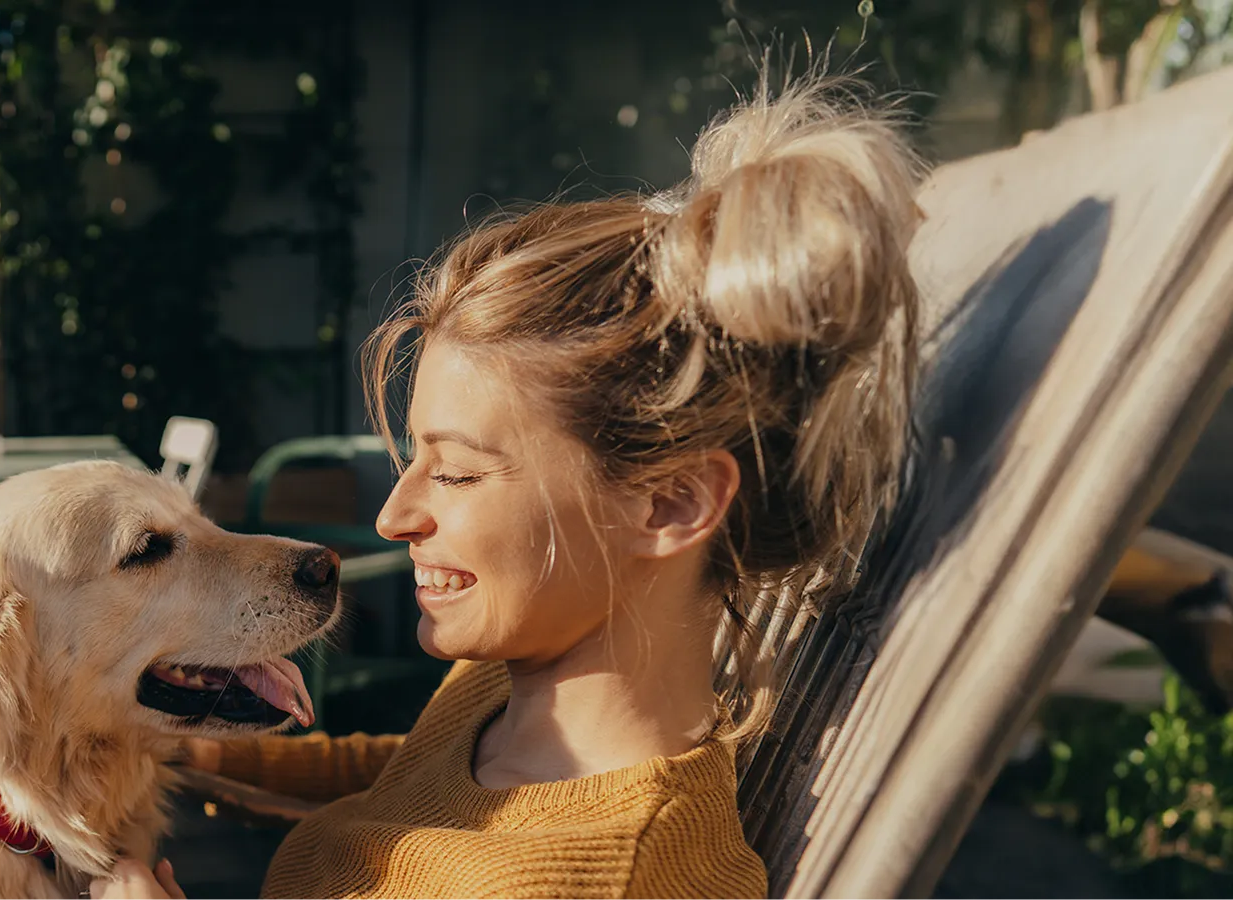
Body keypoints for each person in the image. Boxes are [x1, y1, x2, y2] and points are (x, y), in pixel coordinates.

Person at [94, 72, 925, 899]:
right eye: (413, 461)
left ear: (671, 502)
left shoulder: (603, 878)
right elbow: (415, 776)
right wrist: (187, 748)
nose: (393, 516)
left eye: (456, 472)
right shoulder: (514, 682)